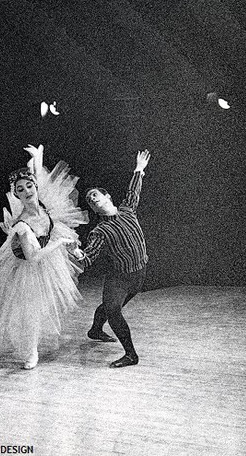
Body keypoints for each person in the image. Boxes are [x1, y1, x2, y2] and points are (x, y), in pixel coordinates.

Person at [0, 145, 88, 370]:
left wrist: (37, 159)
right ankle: (31, 352)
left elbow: (55, 219)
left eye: (30, 186)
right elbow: (33, 256)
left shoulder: (44, 205)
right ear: (16, 194)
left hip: (49, 261)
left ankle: (32, 347)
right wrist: (59, 244)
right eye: (21, 189)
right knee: (29, 313)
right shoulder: (21, 224)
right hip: (28, 268)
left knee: (43, 308)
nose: (27, 191)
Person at [72, 149, 151, 368]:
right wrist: (77, 252)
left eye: (95, 195)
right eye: (89, 200)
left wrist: (139, 169)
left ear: (107, 197)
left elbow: (134, 191)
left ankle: (95, 330)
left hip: (139, 275)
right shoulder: (100, 231)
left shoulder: (128, 210)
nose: (92, 200)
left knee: (108, 307)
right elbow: (87, 259)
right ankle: (131, 355)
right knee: (114, 309)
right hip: (120, 278)